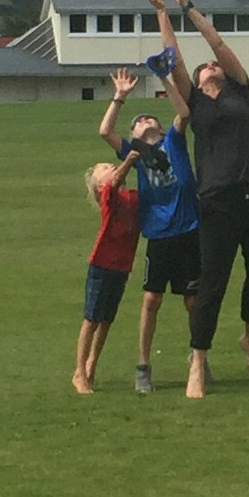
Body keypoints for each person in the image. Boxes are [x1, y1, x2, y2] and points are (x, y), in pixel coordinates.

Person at [150, 0, 249, 400]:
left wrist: (186, 5)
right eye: (204, 67)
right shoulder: (194, 104)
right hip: (218, 202)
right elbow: (174, 59)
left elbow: (216, 43)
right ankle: (197, 362)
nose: (210, 66)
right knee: (212, 283)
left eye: (213, 65)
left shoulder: (240, 90)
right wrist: (162, 13)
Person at [98, 57, 199, 395]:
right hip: (158, 235)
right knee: (151, 300)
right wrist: (119, 97)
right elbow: (105, 132)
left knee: (193, 301)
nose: (144, 121)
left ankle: (198, 358)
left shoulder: (173, 142)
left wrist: (163, 78)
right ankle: (143, 366)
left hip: (189, 231)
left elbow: (184, 113)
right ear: (134, 135)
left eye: (149, 118)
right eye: (138, 122)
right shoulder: (135, 153)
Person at [72, 151, 142, 395]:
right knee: (91, 319)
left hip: (121, 266)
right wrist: (129, 160)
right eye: (103, 168)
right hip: (102, 265)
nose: (110, 166)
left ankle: (92, 363)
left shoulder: (131, 197)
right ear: (99, 185)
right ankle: (79, 372)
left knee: (106, 320)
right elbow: (113, 183)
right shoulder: (108, 197)